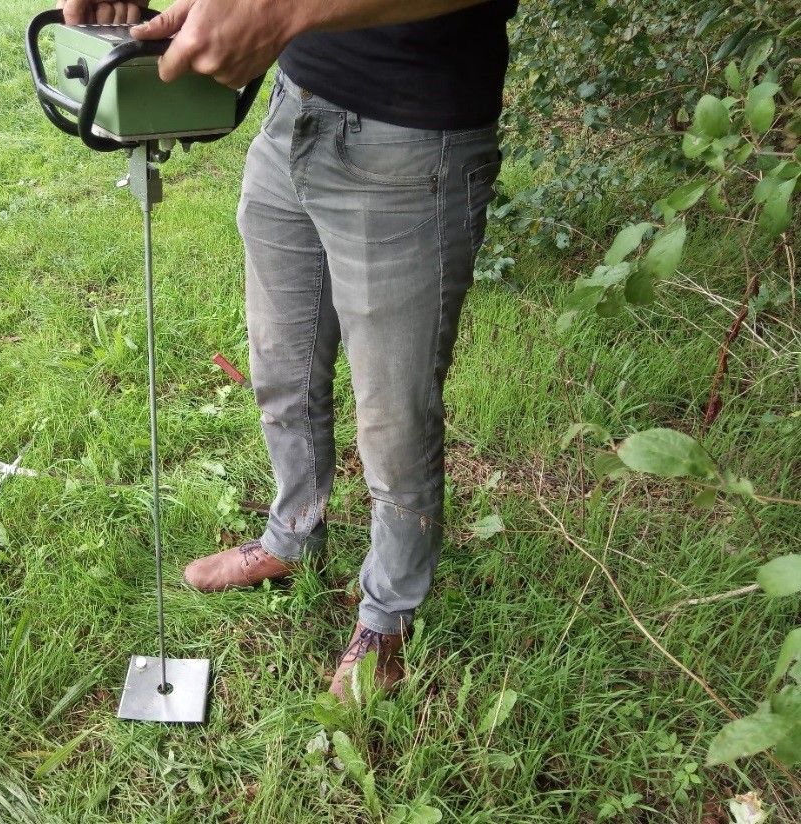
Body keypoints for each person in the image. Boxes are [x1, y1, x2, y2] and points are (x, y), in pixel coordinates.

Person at [59, 0, 517, 700]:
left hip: (413, 136)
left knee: (393, 415)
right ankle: (293, 536)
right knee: (282, 368)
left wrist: (280, 12)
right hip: (292, 110)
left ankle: (389, 616)